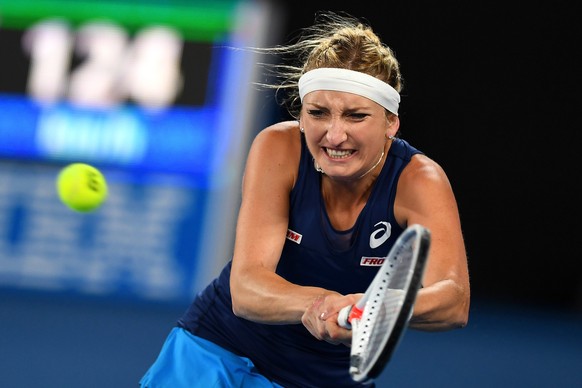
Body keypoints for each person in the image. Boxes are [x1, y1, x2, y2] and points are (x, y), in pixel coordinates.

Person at [140, 11, 470, 388]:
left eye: (356, 116)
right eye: (318, 113)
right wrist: (325, 302)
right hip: (217, 350)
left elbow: (453, 302)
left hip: (323, 379)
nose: (334, 135)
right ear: (301, 115)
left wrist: (369, 308)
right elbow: (246, 289)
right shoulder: (277, 147)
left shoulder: (420, 181)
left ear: (390, 123)